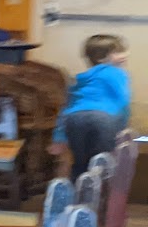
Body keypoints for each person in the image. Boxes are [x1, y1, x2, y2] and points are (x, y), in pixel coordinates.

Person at [53, 33, 130, 177]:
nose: (125, 55)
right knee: (104, 162)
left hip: (75, 119)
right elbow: (123, 101)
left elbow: (67, 107)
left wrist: (59, 137)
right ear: (101, 58)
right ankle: (99, 186)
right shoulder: (117, 73)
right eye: (118, 52)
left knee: (79, 162)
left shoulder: (80, 80)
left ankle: (77, 186)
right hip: (104, 119)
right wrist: (122, 129)